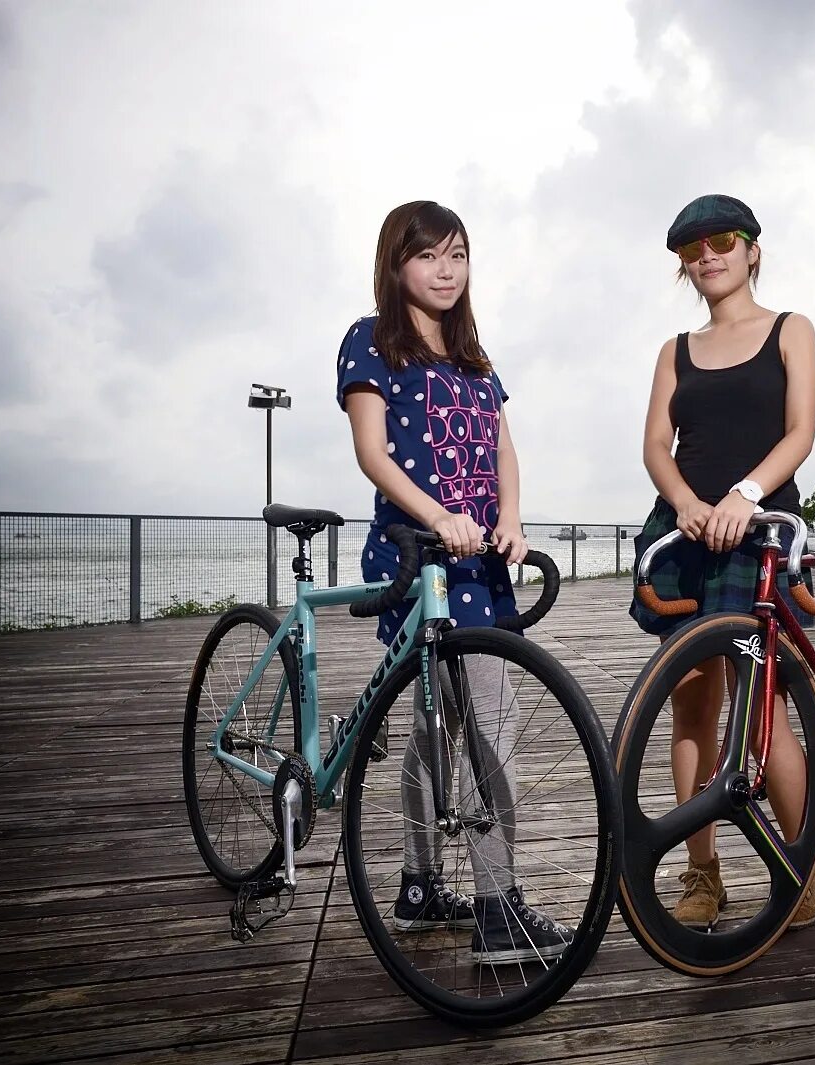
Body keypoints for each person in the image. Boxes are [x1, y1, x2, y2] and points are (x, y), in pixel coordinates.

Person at [335, 200, 568, 964]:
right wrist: (442, 516)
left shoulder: (475, 356)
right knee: (448, 728)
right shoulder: (370, 342)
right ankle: (496, 910)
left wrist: (512, 518)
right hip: (418, 556)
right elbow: (375, 454)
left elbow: (505, 448)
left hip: (483, 561)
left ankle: (420, 884)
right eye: (429, 255)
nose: (445, 270)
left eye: (458, 255)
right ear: (396, 263)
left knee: (469, 727)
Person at [628, 193, 815, 930]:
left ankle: (803, 864)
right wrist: (684, 500)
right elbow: (656, 445)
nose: (707, 254)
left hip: (759, 529)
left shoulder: (791, 329)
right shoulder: (674, 350)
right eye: (692, 249)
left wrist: (747, 493)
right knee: (691, 703)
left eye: (722, 240)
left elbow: (801, 431)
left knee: (761, 708)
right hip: (686, 532)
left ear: (752, 250)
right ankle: (701, 872)